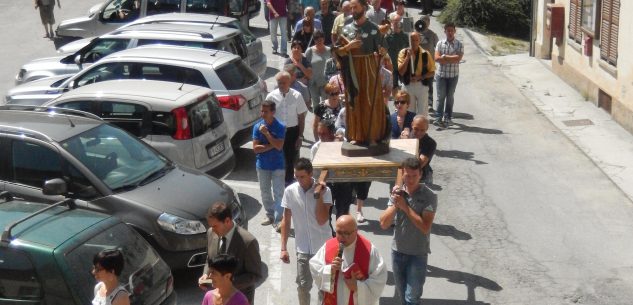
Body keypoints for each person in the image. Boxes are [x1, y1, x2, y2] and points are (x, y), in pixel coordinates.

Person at [379, 157, 437, 305]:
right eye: (407, 175)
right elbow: (384, 224)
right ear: (402, 174)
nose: (410, 179)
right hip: (397, 252)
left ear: (420, 175)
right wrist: (396, 204)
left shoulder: (429, 196)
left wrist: (405, 207)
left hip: (417, 254)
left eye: (414, 176)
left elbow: (425, 227)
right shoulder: (397, 195)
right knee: (403, 298)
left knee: (412, 298)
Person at [280, 158, 333, 305]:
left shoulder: (325, 191)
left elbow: (322, 219)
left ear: (311, 174)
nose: (299, 180)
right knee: (303, 286)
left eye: (302, 176)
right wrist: (283, 248)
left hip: (323, 248)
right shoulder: (290, 191)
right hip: (302, 247)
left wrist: (319, 196)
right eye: (296, 176)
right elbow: (286, 220)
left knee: (324, 287)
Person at [336, 0, 388, 145]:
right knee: (355, 101)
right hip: (352, 68)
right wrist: (349, 47)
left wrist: (382, 51)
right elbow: (337, 51)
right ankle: (357, 136)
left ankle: (372, 136)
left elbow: (382, 48)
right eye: (351, 8)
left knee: (370, 101)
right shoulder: (346, 29)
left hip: (368, 67)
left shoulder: (373, 28)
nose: (352, 10)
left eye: (355, 7)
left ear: (364, 8)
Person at [309, 215, 387, 305]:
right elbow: (314, 267)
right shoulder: (328, 247)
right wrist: (330, 269)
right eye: (339, 232)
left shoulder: (369, 250)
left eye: (347, 233)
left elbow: (379, 279)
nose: (342, 237)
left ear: (356, 231)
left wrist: (358, 286)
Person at [199, 202, 263, 304]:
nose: (212, 230)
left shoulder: (248, 242)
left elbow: (255, 274)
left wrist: (227, 282)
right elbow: (210, 258)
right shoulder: (211, 233)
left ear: (227, 221)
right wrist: (206, 274)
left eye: (215, 226)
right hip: (217, 298)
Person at [266, 72, 308, 185]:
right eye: (279, 83)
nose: (281, 85)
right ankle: (278, 181)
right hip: (277, 132)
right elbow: (267, 116)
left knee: (291, 159)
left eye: (284, 83)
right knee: (277, 157)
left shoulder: (297, 96)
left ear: (289, 82)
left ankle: (289, 182)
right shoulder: (271, 97)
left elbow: (301, 117)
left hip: (292, 132)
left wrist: (300, 136)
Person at [310, 121, 353, 228]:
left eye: (323, 133)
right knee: (326, 213)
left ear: (332, 133)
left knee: (342, 213)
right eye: (319, 133)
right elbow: (314, 170)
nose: (321, 136)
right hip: (326, 184)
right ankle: (329, 236)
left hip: (343, 182)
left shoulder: (343, 144)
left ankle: (341, 235)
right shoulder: (316, 148)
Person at [252, 100, 286, 228]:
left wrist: (266, 134)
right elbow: (256, 149)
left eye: (265, 112)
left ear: (273, 112)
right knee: (265, 192)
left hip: (278, 165)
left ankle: (278, 221)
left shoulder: (280, 127)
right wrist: (273, 144)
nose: (262, 114)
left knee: (278, 193)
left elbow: (279, 146)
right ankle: (269, 214)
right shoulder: (257, 127)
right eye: (262, 111)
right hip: (262, 165)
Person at [397, 32, 435, 116]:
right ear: (409, 41)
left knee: (423, 113)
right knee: (409, 112)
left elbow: (432, 72)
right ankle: (410, 128)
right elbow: (401, 72)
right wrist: (407, 58)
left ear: (419, 41)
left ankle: (421, 128)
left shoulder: (425, 53)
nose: (414, 42)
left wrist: (421, 77)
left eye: (416, 40)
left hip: (421, 86)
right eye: (412, 40)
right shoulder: (403, 53)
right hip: (408, 85)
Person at [434, 22, 464, 127]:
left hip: (453, 75)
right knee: (440, 96)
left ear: (455, 31)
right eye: (448, 30)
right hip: (441, 75)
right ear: (445, 31)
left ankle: (448, 117)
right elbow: (436, 58)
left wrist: (445, 57)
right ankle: (438, 117)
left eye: (452, 30)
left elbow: (458, 59)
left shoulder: (459, 44)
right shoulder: (440, 43)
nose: (450, 32)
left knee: (450, 97)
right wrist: (450, 58)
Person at [416, 15, 439, 113]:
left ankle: (429, 104)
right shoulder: (416, 34)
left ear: (429, 23)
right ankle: (419, 104)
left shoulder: (433, 35)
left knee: (429, 85)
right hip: (418, 64)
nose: (424, 23)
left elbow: (438, 47)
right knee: (418, 85)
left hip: (429, 64)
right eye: (422, 21)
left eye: (426, 21)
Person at [306, 31, 332, 112]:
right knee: (316, 104)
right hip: (313, 82)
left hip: (325, 82)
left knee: (325, 103)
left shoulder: (329, 50)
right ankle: (317, 122)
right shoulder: (309, 51)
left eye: (320, 39)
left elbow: (333, 64)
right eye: (316, 39)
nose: (319, 41)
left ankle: (325, 121)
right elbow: (306, 65)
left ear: (324, 39)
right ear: (314, 40)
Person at [409, 115, 436, 184]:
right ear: (412, 125)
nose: (418, 133)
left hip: (422, 178)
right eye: (416, 129)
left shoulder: (430, 143)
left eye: (422, 130)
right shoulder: (406, 136)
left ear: (427, 128)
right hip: (404, 174)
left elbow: (419, 164)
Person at [385, 14, 409, 91]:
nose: (397, 24)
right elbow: (384, 51)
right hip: (393, 66)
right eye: (395, 22)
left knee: (406, 87)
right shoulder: (388, 37)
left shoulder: (406, 36)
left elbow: (410, 49)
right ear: (391, 23)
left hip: (403, 66)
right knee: (394, 87)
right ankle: (397, 102)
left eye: (398, 22)